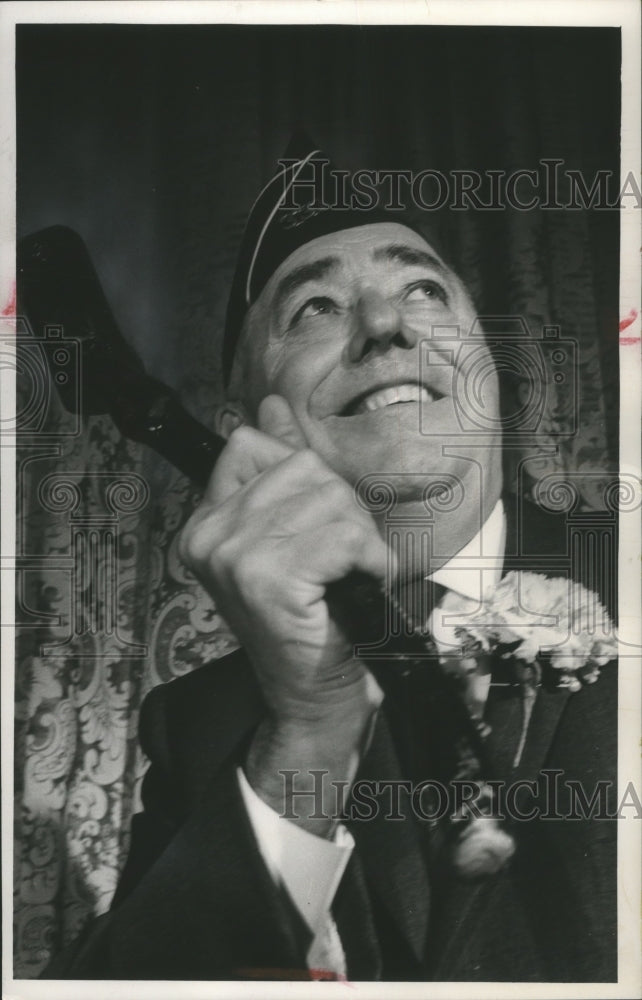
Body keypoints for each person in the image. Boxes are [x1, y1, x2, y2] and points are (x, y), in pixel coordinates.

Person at [44, 140, 617, 982]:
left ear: (488, 367)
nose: (385, 326)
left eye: (422, 289)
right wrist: (308, 738)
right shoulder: (204, 728)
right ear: (246, 422)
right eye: (314, 308)